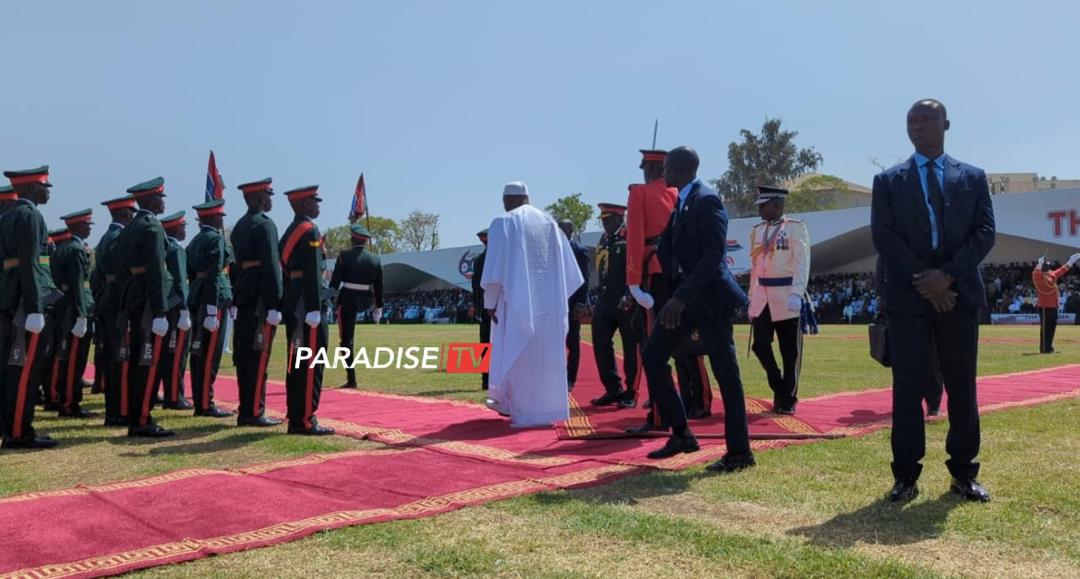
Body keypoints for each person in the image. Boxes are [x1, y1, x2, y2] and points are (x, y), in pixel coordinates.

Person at [871, 99, 995, 502]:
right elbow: (884, 236)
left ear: (946, 123)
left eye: (925, 119)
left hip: (958, 296)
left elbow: (984, 233)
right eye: (911, 120)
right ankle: (905, 475)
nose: (917, 125)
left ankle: (964, 472)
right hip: (909, 297)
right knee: (906, 387)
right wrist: (926, 281)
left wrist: (947, 277)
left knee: (961, 385)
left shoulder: (973, 178)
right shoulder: (888, 181)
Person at [639, 146, 754, 473]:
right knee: (653, 354)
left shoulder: (706, 200)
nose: (662, 174)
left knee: (726, 373)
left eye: (666, 168)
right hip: (686, 299)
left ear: (677, 168)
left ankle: (740, 452)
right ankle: (681, 433)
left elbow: (712, 258)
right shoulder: (680, 202)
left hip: (710, 299)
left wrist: (680, 298)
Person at [480, 182, 584, 427]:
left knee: (518, 352)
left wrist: (490, 301)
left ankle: (519, 409)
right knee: (545, 357)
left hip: (517, 303)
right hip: (550, 305)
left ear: (506, 200)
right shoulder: (550, 223)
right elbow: (571, 275)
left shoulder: (503, 222)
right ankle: (547, 410)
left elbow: (494, 269)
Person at [624, 149, 711, 430]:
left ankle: (660, 414)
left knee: (655, 344)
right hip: (682, 274)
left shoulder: (640, 193)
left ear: (648, 169)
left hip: (656, 275)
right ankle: (699, 400)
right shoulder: (682, 193)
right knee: (689, 340)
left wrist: (633, 281)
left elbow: (635, 238)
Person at [0, 166, 59, 449]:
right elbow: (31, 264)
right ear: (33, 189)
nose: (47, 192)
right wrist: (36, 307)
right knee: (24, 370)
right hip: (25, 303)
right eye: (44, 187)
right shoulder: (30, 215)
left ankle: (11, 425)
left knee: (10, 369)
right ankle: (19, 431)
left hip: (9, 297)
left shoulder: (8, 215)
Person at [116, 177, 174, 437]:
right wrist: (161, 311)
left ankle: (137, 416)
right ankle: (142, 420)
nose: (163, 202)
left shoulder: (131, 226)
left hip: (134, 295)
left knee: (139, 360)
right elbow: (156, 272)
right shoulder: (151, 228)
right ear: (152, 199)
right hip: (150, 301)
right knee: (148, 361)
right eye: (160, 197)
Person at [748, 186, 810, 415]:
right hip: (762, 296)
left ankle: (788, 397)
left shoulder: (795, 228)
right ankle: (778, 384)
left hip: (786, 296)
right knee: (760, 344)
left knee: (789, 352)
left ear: (776, 205)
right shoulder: (757, 230)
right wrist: (751, 297)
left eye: (763, 206)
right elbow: (755, 267)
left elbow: (802, 262)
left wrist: (797, 293)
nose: (760, 210)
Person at [280, 185, 334, 435]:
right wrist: (314, 307)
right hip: (307, 304)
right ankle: (304, 420)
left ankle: (296, 415)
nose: (318, 205)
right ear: (303, 205)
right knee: (311, 363)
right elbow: (313, 270)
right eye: (314, 201)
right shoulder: (308, 229)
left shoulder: (292, 230)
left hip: (296, 299)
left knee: (297, 362)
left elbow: (283, 265)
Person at [230, 178, 284, 427]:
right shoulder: (265, 226)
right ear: (258, 199)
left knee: (244, 357)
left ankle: (247, 408)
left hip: (244, 293)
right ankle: (253, 411)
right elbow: (273, 267)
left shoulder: (239, 226)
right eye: (267, 196)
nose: (271, 200)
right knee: (259, 357)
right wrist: (275, 303)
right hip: (261, 298)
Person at [186, 199, 234, 419]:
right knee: (209, 356)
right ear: (213, 218)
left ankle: (200, 400)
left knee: (198, 353)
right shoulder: (215, 239)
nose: (221, 220)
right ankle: (206, 403)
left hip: (197, 295)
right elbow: (215, 274)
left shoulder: (195, 241)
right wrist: (213, 309)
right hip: (212, 299)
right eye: (219, 217)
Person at [92, 195, 137, 426]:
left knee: (112, 358)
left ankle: (114, 410)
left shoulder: (104, 238)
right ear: (126, 214)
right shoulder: (121, 238)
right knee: (121, 358)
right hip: (119, 300)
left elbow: (96, 275)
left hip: (106, 299)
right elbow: (123, 273)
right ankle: (119, 411)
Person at [589, 203, 640, 408]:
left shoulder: (630, 236)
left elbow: (637, 267)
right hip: (605, 299)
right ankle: (613, 389)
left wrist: (631, 294)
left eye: (607, 220)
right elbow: (601, 270)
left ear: (619, 219)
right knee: (600, 343)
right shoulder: (604, 239)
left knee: (631, 348)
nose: (604, 225)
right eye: (603, 221)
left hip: (626, 301)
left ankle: (631, 392)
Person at [52, 210, 97, 418]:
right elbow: (77, 285)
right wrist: (81, 315)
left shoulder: (63, 248)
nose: (89, 228)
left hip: (66, 308)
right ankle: (70, 403)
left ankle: (67, 399)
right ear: (79, 226)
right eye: (87, 225)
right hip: (76, 309)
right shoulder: (76, 250)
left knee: (68, 357)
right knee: (74, 359)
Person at [330, 223, 384, 388]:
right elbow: (379, 286)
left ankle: (351, 378)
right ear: (366, 242)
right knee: (347, 340)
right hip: (365, 300)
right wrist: (378, 307)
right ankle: (351, 378)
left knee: (346, 340)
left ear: (352, 239)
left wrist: (330, 301)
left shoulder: (344, 256)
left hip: (347, 300)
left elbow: (334, 284)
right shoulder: (375, 259)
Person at [157, 211, 193, 410]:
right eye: (182, 226)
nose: (184, 230)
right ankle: (174, 397)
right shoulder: (176, 249)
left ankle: (170, 394)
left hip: (169, 306)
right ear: (173, 228)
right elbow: (180, 281)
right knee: (176, 355)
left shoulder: (164, 247)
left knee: (167, 355)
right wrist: (184, 309)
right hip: (177, 308)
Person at [558, 219, 590, 391]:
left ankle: (570, 379)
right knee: (555, 343)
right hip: (555, 305)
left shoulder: (579, 251)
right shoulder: (552, 250)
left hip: (573, 304)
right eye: (558, 229)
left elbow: (585, 280)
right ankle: (556, 377)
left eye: (564, 229)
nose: (560, 232)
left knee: (572, 343)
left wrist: (581, 303)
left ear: (571, 230)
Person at [1033, 254, 1079, 353]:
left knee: (1052, 327)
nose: (1049, 267)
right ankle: (1044, 348)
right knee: (1046, 328)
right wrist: (1040, 263)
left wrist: (1071, 261)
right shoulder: (1038, 277)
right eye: (1047, 265)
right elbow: (1036, 272)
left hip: (1053, 305)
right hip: (1044, 306)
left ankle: (1049, 347)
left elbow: (1062, 270)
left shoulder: (1051, 275)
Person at [471, 229, 490, 390]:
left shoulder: (479, 260)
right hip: (497, 308)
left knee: (485, 344)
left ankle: (486, 379)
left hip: (484, 308)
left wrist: (478, 309)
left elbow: (476, 289)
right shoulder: (497, 257)